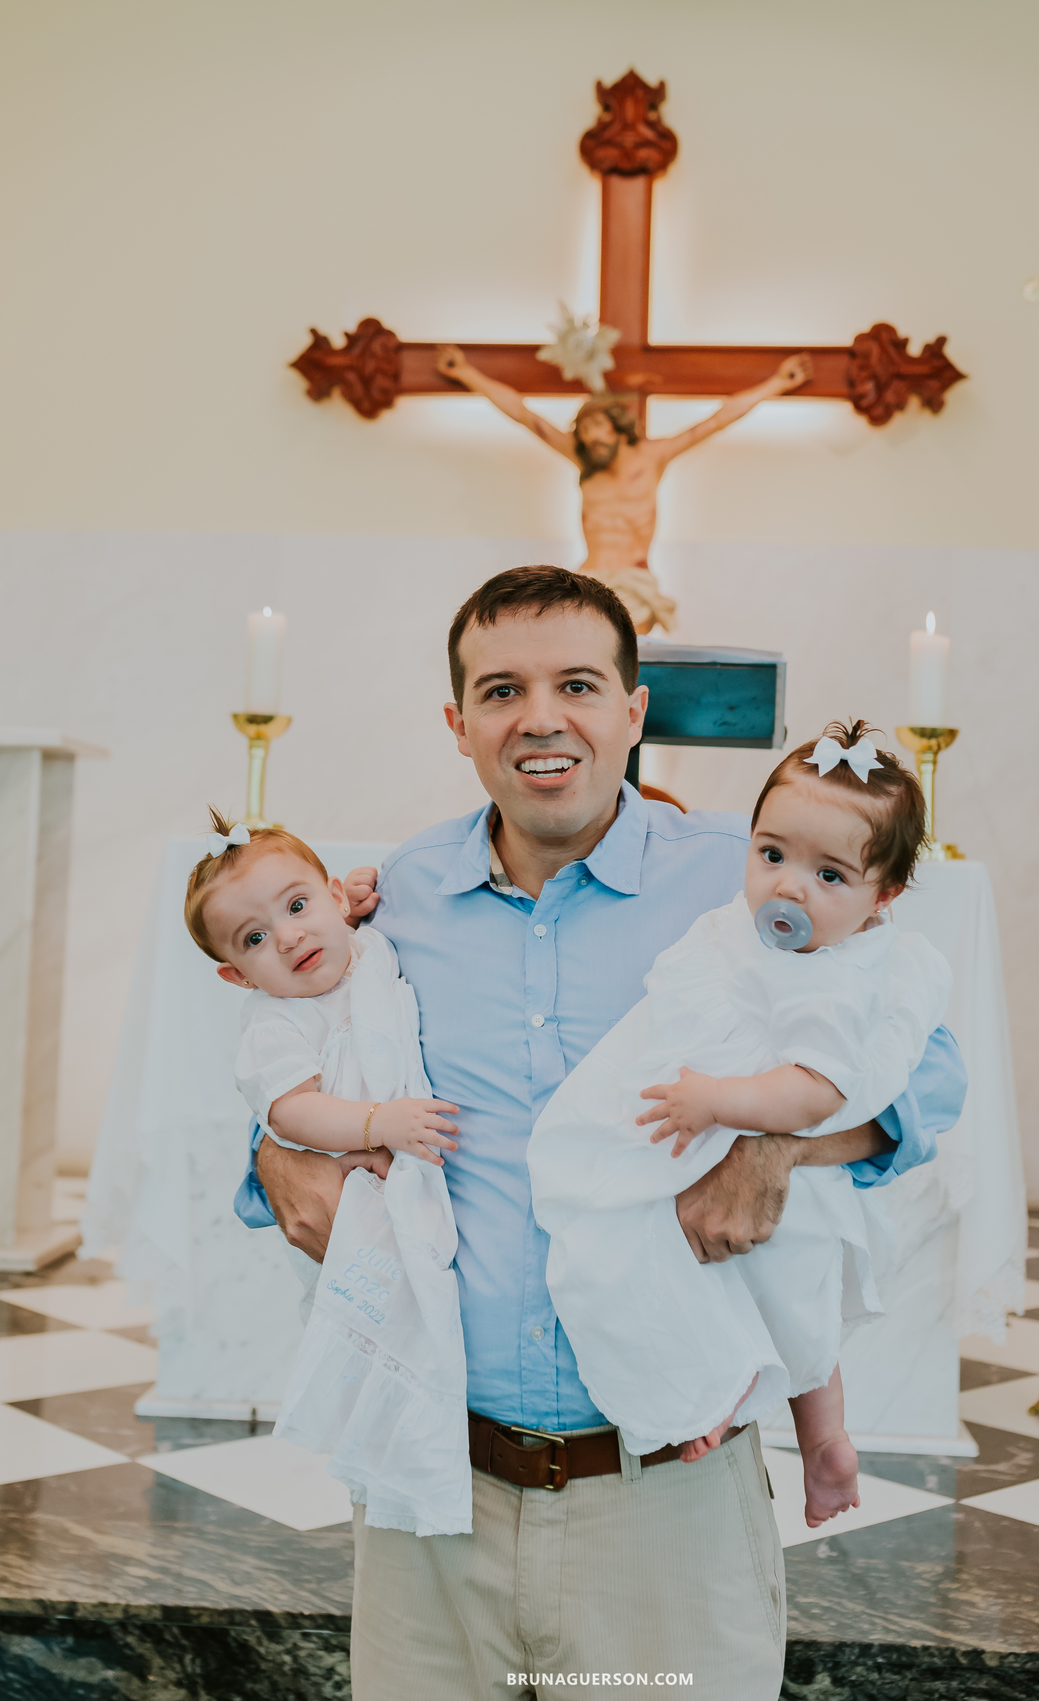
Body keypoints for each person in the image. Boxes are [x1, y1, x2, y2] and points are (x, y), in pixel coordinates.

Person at [236, 563, 967, 1701]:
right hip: (439, 1484)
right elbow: (283, 1071)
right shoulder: (389, 899)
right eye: (501, 690)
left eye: (578, 683)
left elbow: (926, 1084)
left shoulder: (746, 879)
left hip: (662, 1496)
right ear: (458, 722)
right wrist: (280, 1152)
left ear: (633, 709)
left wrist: (767, 1144)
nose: (541, 718)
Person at [527, 723, 951, 1531]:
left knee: (749, 1276)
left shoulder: (841, 978)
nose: (788, 890)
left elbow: (819, 1092)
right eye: (771, 856)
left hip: (747, 1124)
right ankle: (808, 1432)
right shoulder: (745, 914)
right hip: (714, 1119)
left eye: (829, 875)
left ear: (883, 897)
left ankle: (729, 1403)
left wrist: (720, 1104)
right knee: (728, 1277)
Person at [184, 813, 470, 1535]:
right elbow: (294, 1111)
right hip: (364, 1183)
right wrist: (379, 1123)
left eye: (297, 904)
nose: (287, 936)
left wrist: (373, 894)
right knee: (386, 1332)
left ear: (339, 899)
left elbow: (373, 923)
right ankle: (401, 1456)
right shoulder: (273, 1027)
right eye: (254, 938)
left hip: (423, 1165)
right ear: (234, 974)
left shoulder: (368, 947)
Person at [434, 344, 813, 633]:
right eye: (584, 430)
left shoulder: (654, 456)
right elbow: (524, 415)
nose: (591, 436)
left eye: (598, 426)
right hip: (591, 576)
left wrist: (778, 383)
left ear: (617, 426)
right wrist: (467, 372)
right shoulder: (584, 461)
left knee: (624, 668)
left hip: (634, 577)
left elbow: (717, 420)